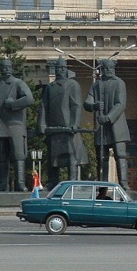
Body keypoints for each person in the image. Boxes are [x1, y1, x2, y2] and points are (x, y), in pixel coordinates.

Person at [38, 57, 89, 189]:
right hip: (53, 129)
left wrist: (75, 124)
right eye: (58, 68)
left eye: (62, 68)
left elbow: (76, 105)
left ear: (66, 70)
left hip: (68, 129)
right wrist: (42, 124)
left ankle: (72, 182)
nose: (60, 70)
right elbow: (44, 106)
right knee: (53, 158)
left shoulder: (72, 85)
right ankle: (53, 182)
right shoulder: (50, 87)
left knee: (71, 156)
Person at [0, 58, 35, 191]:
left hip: (16, 126)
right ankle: (2, 184)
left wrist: (13, 104)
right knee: (1, 157)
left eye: (8, 67)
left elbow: (29, 99)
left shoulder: (18, 83)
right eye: (3, 67)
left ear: (12, 69)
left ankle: (20, 183)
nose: (5, 70)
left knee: (19, 155)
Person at [84, 59, 131, 189]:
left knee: (120, 155)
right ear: (102, 70)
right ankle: (102, 185)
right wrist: (94, 105)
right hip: (101, 128)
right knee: (102, 157)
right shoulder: (96, 85)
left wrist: (108, 117)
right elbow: (87, 102)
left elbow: (121, 104)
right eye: (107, 68)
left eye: (111, 68)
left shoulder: (119, 83)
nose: (109, 70)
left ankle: (124, 183)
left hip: (117, 126)